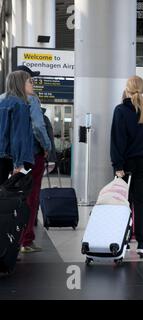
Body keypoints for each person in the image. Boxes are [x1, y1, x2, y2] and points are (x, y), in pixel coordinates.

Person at [110, 76, 143, 259]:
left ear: (127, 89)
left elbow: (117, 141)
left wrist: (117, 165)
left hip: (125, 165)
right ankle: (141, 243)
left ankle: (122, 242)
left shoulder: (120, 111)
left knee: (123, 204)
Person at [12, 66, 52, 254]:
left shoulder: (3, 100)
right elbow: (38, 127)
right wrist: (46, 147)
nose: (34, 83)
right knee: (31, 196)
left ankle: (9, 238)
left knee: (9, 196)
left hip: (9, 157)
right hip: (31, 156)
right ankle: (25, 240)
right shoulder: (31, 100)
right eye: (31, 80)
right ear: (22, 81)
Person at [0, 71, 35, 184]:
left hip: (3, 156)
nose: (32, 84)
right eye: (30, 81)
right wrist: (19, 164)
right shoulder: (20, 105)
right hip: (11, 159)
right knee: (11, 197)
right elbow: (19, 136)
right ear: (21, 84)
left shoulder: (3, 103)